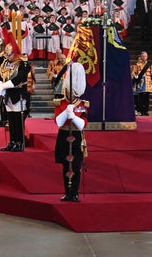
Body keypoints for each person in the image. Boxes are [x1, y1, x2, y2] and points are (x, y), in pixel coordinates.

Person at [53, 62, 89, 202]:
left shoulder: (82, 104)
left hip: (76, 137)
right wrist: (65, 113)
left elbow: (83, 124)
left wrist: (73, 116)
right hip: (63, 135)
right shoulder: (60, 103)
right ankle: (67, 192)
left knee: (76, 166)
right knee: (65, 166)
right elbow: (58, 122)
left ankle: (74, 193)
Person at [0, 32, 31, 152]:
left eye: (9, 55)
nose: (7, 57)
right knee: (11, 119)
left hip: (19, 94)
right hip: (8, 94)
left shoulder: (23, 64)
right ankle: (12, 141)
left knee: (18, 120)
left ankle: (20, 142)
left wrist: (4, 86)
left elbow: (19, 78)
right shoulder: (6, 63)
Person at [131, 51, 152, 116]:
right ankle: (142, 111)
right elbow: (133, 73)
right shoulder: (137, 65)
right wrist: (135, 76)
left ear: (147, 57)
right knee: (141, 97)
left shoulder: (150, 65)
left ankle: (146, 111)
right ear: (141, 57)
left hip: (148, 82)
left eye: (145, 56)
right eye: (143, 56)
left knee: (147, 98)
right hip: (141, 83)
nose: (144, 57)